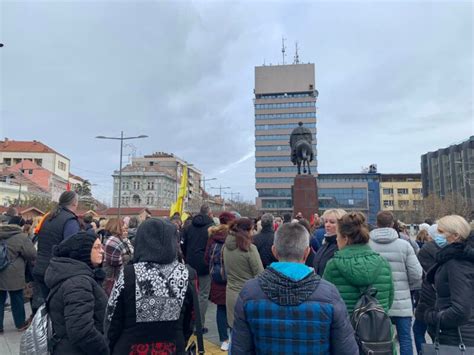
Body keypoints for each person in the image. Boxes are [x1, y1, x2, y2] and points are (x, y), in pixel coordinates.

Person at [231, 222, 358, 354]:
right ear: (307, 252)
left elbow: (240, 349)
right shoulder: (328, 293)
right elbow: (347, 350)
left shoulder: (249, 292)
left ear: (274, 251)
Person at [105, 218, 195, 354]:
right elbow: (190, 319)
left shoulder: (129, 273)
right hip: (172, 347)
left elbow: (112, 317)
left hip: (131, 347)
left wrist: (110, 345)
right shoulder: (185, 273)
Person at [44, 232, 108, 354]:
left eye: (102, 246)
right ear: (83, 252)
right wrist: (105, 349)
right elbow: (81, 330)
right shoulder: (78, 283)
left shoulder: (76, 276)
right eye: (96, 247)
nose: (102, 251)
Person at [369, 211, 422, 355]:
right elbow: (417, 274)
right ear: (393, 224)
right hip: (402, 301)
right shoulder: (404, 245)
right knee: (405, 339)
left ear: (376, 223)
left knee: (377, 341)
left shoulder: (367, 245)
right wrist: (408, 287)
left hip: (376, 301)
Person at [323, 212, 394, 314]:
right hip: (379, 327)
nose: (336, 239)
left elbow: (326, 302)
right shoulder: (383, 263)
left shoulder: (333, 266)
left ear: (345, 238)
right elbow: (389, 301)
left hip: (345, 328)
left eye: (338, 235)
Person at [424, 215, 474, 347]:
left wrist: (433, 317)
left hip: (459, 336)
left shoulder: (457, 262)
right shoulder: (455, 258)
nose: (436, 236)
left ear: (456, 236)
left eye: (441, 232)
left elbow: (461, 310)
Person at [33, 191, 80, 298]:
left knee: (42, 308)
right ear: (74, 203)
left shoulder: (48, 217)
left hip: (40, 266)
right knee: (55, 309)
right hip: (56, 271)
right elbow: (71, 247)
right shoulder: (70, 221)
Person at [223, 218, 263, 329]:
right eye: (252, 230)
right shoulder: (249, 249)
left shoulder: (225, 247)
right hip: (248, 296)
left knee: (234, 330)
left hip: (231, 294)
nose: (253, 232)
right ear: (246, 231)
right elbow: (260, 275)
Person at [204, 211, 236, 351]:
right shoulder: (234, 236)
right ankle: (234, 336)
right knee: (234, 308)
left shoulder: (213, 236)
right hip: (233, 277)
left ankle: (224, 339)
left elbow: (206, 257)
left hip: (217, 279)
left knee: (221, 308)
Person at [0, 216, 36, 332]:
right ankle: (20, 324)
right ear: (20, 225)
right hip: (14, 273)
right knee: (17, 298)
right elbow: (31, 254)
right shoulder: (22, 237)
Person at [182, 204, 214, 331]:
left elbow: (183, 245)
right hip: (205, 264)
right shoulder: (211, 228)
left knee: (190, 293)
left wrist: (186, 257)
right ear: (209, 213)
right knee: (203, 295)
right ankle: (199, 325)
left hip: (190, 263)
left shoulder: (189, 227)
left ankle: (188, 322)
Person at [412, 223, 440, 354]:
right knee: (438, 333)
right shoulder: (453, 250)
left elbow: (418, 273)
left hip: (427, 297)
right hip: (445, 299)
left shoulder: (424, 251)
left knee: (418, 329)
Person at [102, 218, 133, 296]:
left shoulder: (119, 239)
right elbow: (115, 262)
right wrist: (127, 257)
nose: (125, 229)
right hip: (112, 277)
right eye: (123, 226)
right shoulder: (114, 241)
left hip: (114, 276)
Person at [313, 208, 347, 276]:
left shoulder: (342, 247)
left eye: (332, 222)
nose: (327, 225)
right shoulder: (325, 244)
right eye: (326, 221)